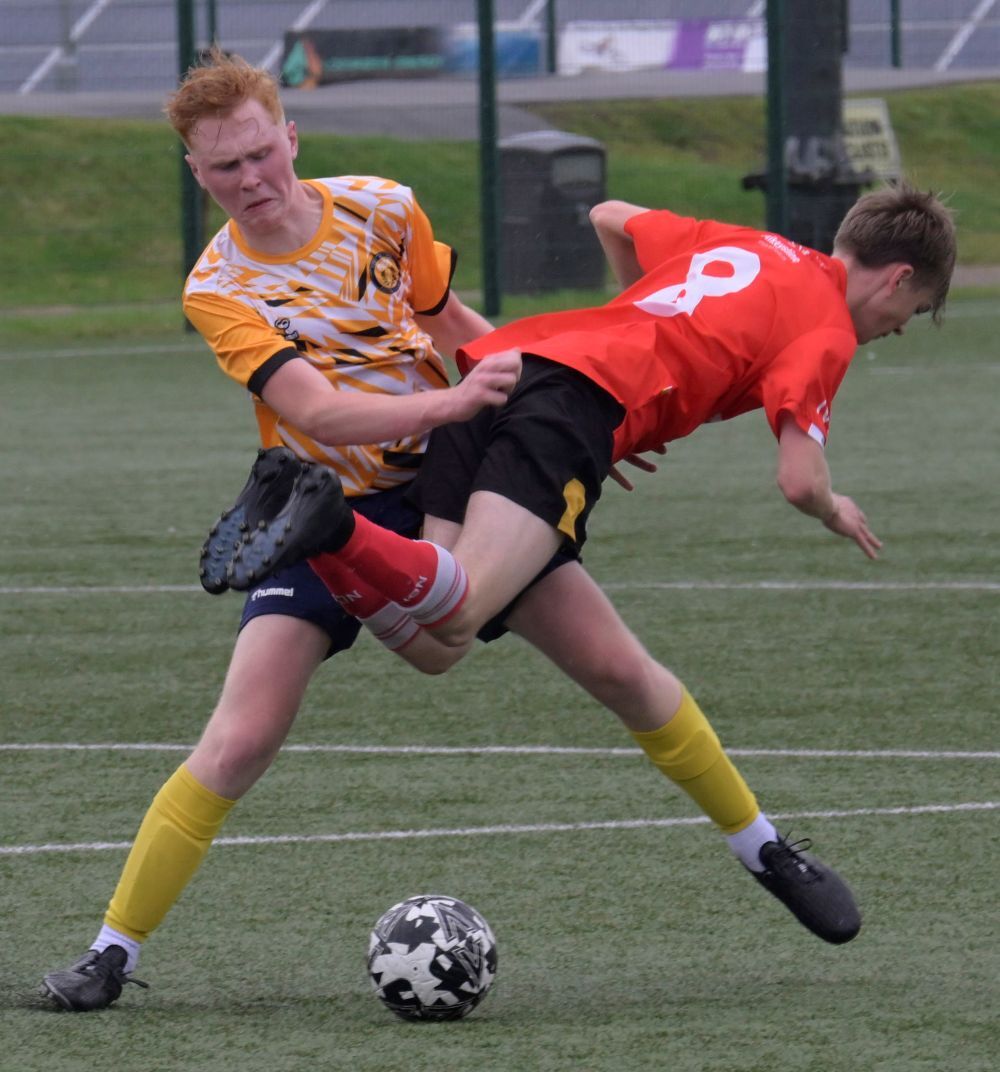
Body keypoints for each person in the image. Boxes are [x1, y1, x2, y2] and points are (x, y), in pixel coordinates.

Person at [217, 185, 955, 962]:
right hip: (564, 409)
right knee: (460, 609)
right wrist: (835, 508)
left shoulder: (750, 241)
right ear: (897, 277)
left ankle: (763, 846)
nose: (893, 328)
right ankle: (329, 523)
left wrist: (633, 340)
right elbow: (800, 480)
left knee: (466, 647)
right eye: (909, 314)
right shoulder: (827, 327)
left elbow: (610, 215)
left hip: (506, 370)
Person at [38, 49, 519, 1012]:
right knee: (242, 733)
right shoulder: (217, 289)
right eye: (225, 168)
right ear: (196, 171)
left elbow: (458, 319)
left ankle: (761, 846)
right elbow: (322, 411)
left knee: (531, 659)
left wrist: (554, 403)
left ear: (290, 136)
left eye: (261, 154)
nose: (251, 180)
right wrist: (456, 402)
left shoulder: (385, 206)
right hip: (316, 506)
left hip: (455, 477)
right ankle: (110, 952)